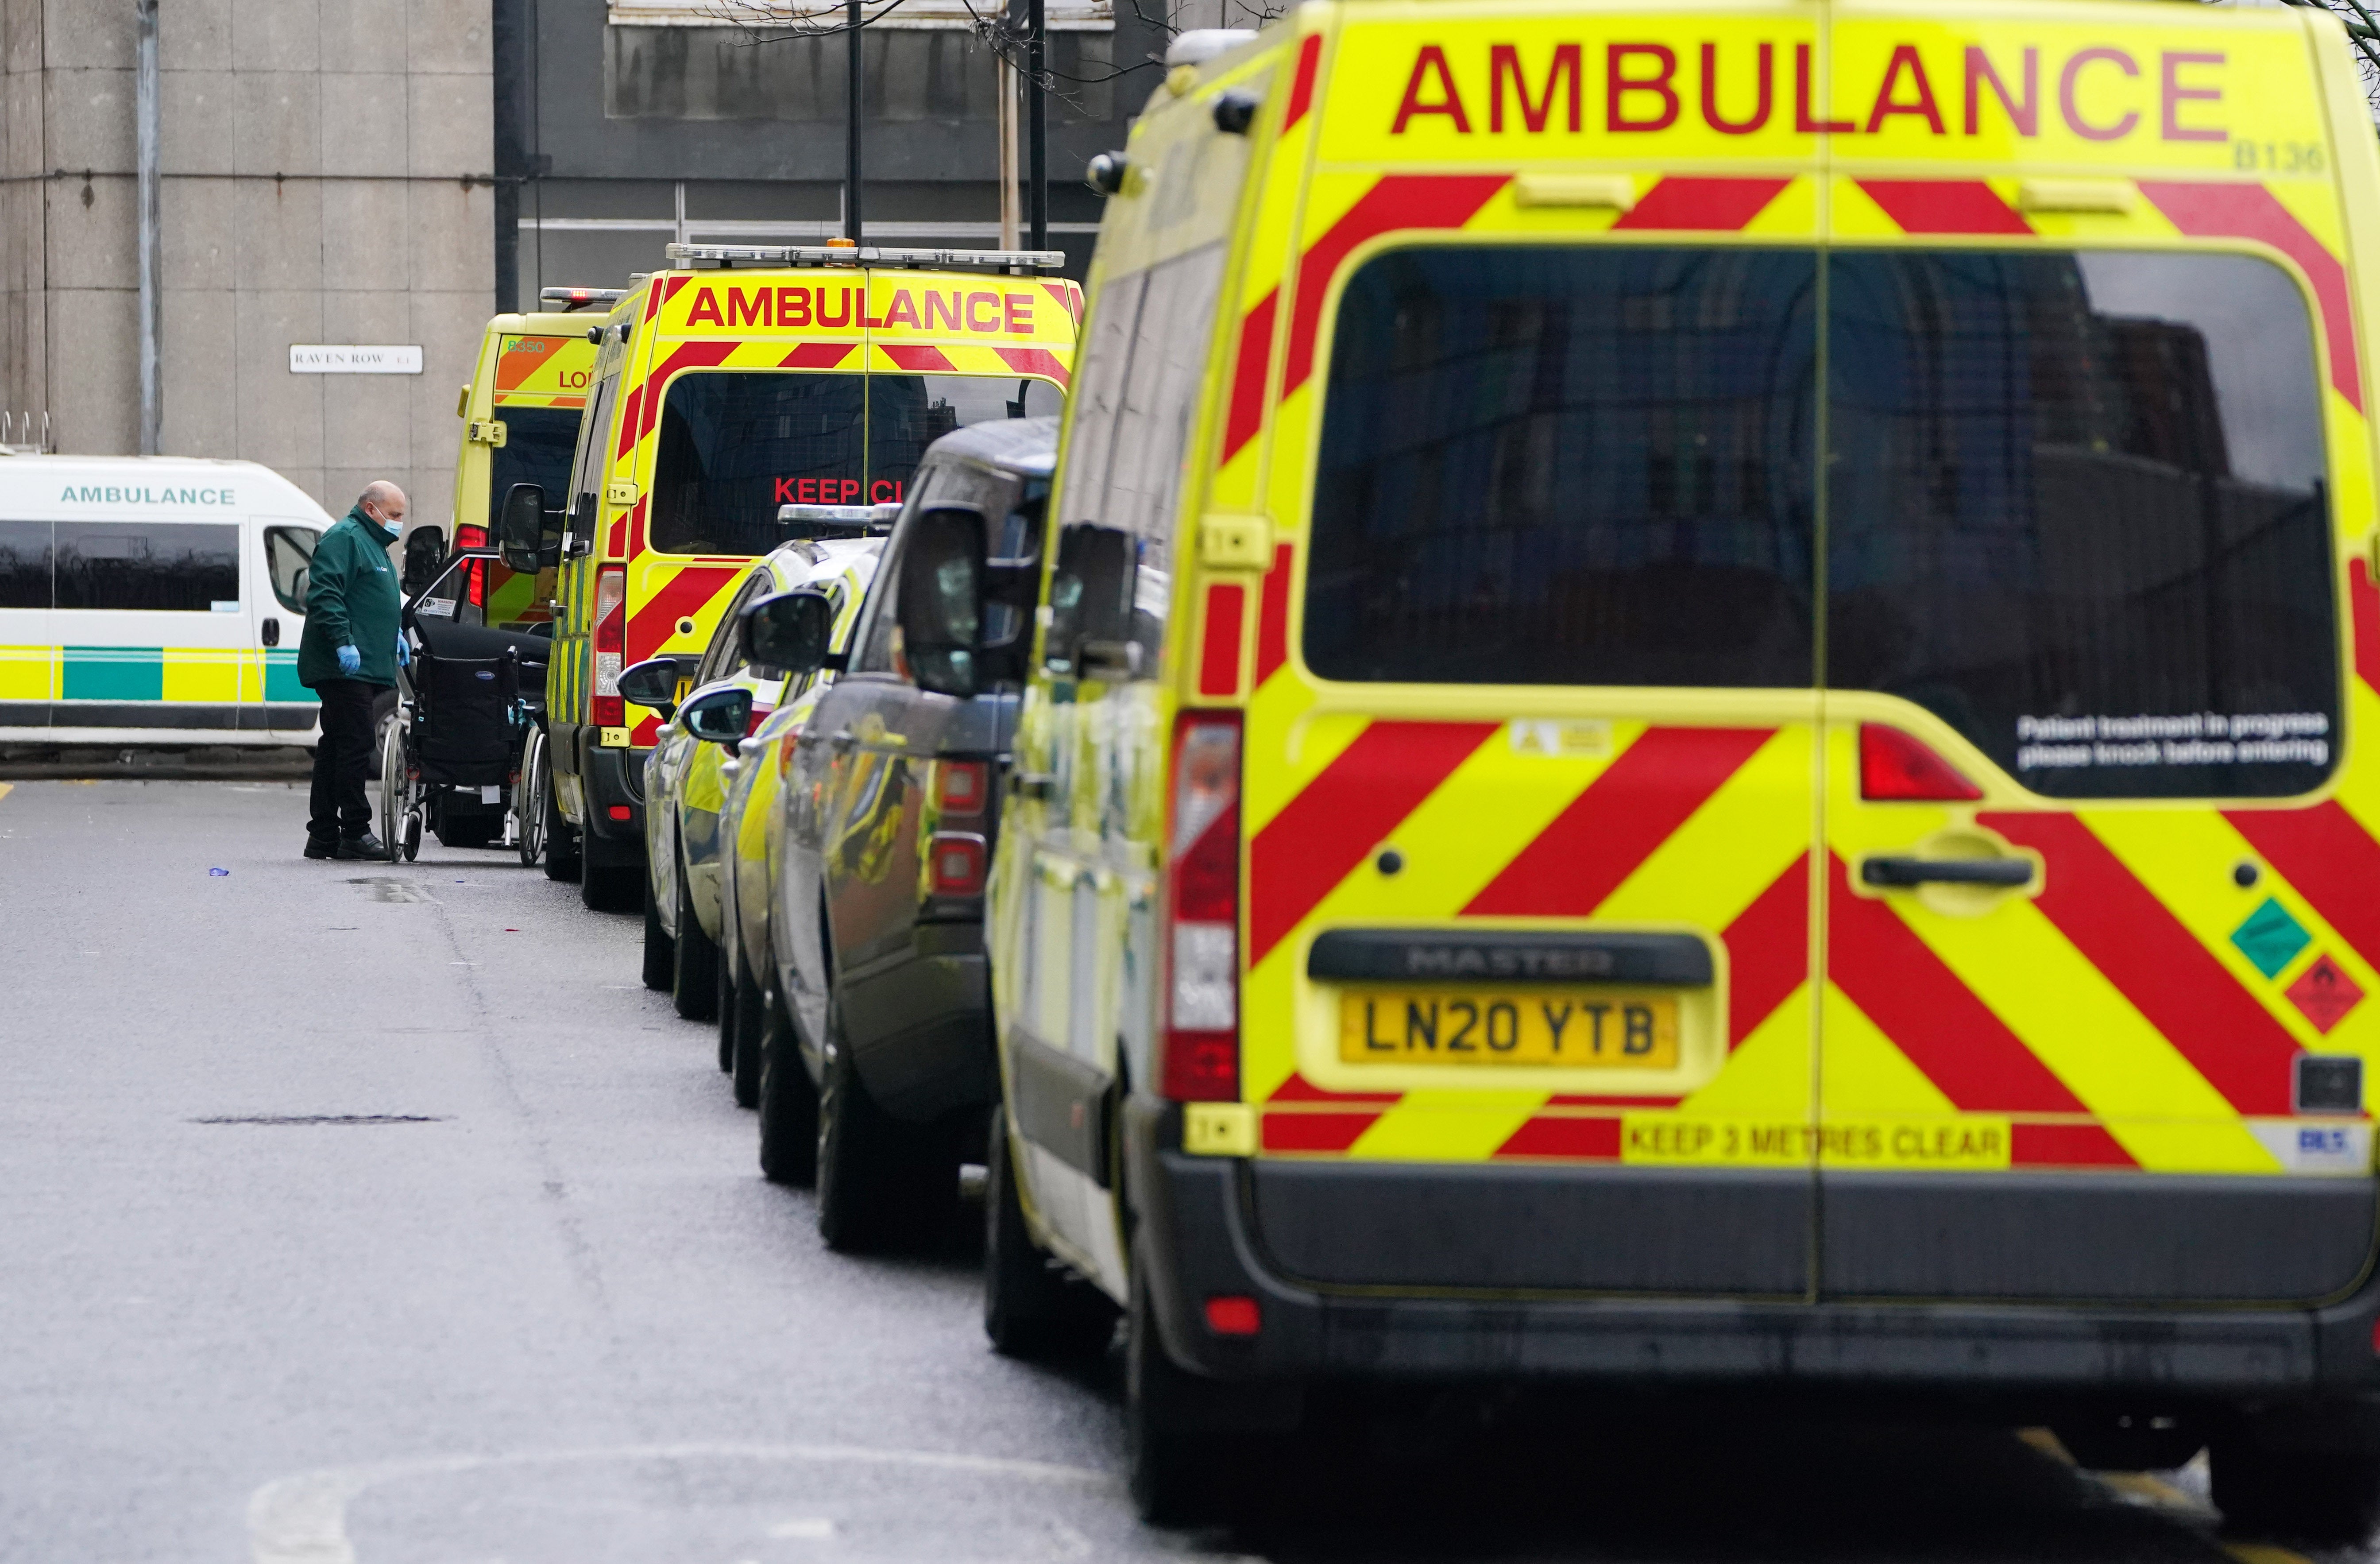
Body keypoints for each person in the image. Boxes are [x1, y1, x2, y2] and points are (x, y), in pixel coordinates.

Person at [299, 482, 412, 859]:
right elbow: (324, 592)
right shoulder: (345, 538)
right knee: (357, 743)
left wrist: (392, 631)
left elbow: (367, 599)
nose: (399, 523)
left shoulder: (371, 543)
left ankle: (324, 836)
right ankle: (354, 831)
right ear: (370, 508)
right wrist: (343, 640)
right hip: (345, 666)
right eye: (394, 515)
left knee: (335, 746)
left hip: (362, 664)